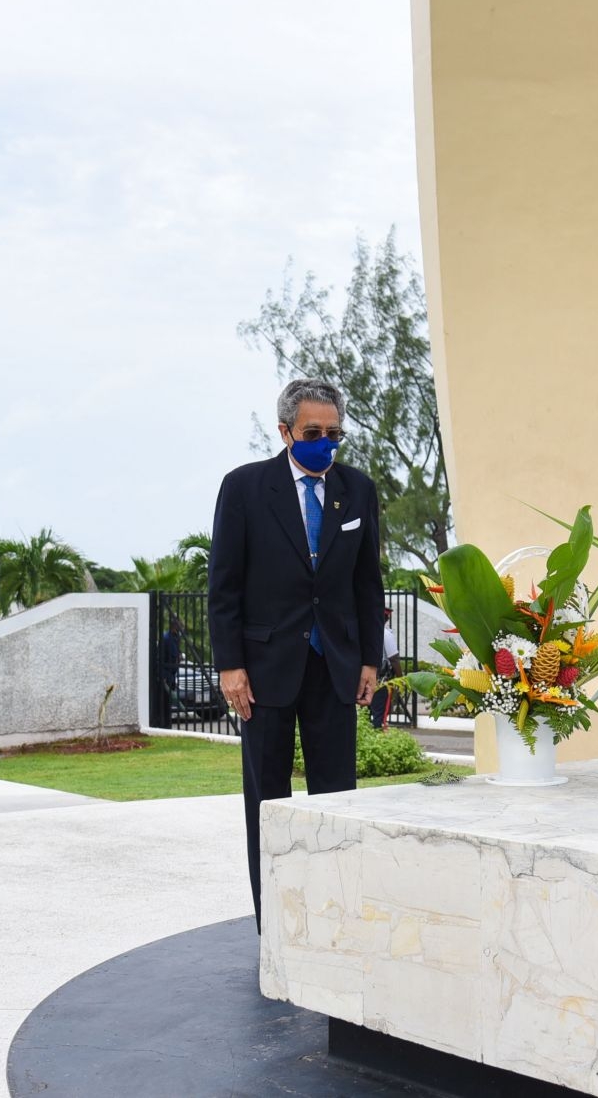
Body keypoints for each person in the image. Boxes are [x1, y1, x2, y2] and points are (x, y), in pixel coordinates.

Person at [208, 378, 384, 927]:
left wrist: (369, 660)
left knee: (338, 801)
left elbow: (367, 585)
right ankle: (276, 927)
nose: (325, 443)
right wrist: (230, 666)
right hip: (262, 672)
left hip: (333, 666)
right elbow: (225, 586)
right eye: (313, 433)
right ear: (284, 431)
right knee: (269, 802)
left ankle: (334, 916)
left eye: (334, 434)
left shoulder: (356, 490)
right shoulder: (243, 489)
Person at [365, 619, 398, 730]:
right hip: (381, 679)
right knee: (379, 712)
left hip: (364, 677)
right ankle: (376, 736)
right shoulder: (385, 634)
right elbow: (394, 659)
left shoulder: (366, 631)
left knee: (367, 711)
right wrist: (401, 678)